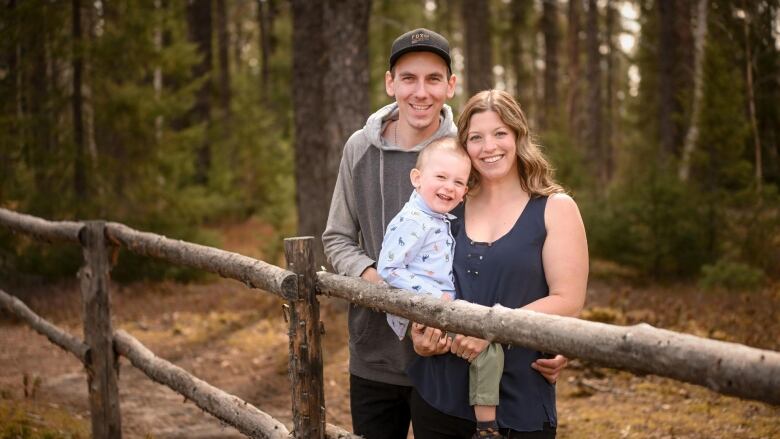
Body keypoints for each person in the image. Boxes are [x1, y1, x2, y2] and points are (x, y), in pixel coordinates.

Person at [322, 28, 567, 439]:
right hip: (375, 353)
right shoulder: (358, 149)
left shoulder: (468, 153)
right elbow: (337, 238)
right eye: (408, 78)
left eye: (434, 78)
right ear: (390, 83)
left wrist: (543, 338)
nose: (421, 92)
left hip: (449, 359)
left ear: (450, 86)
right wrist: (382, 289)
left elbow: (501, 249)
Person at [408, 89, 589, 439]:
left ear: (519, 135)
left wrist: (489, 328)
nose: (489, 147)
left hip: (518, 397)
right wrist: (419, 333)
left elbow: (567, 300)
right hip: (439, 394)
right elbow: (419, 279)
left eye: (500, 133)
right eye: (476, 137)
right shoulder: (449, 207)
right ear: (464, 147)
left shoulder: (555, 208)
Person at [377, 138, 506, 438]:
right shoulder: (413, 220)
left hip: (436, 306)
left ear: (464, 192)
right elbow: (388, 268)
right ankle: (486, 427)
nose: (449, 187)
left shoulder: (436, 219)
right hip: (425, 309)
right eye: (441, 177)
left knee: (483, 345)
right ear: (417, 178)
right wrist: (435, 298)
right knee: (490, 352)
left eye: (458, 182)